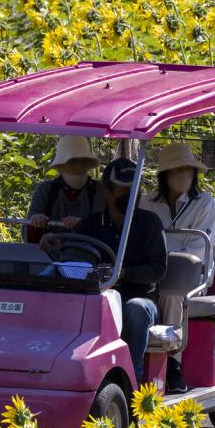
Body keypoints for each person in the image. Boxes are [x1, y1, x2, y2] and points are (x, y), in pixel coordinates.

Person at [46, 157, 166, 388]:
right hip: (96, 300)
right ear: (107, 193)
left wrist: (124, 274)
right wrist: (54, 246)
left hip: (138, 298)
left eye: (135, 189)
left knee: (135, 309)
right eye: (124, 190)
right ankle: (61, 375)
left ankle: (132, 385)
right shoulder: (90, 224)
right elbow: (71, 259)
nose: (132, 195)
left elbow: (158, 269)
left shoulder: (150, 223)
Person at [139, 142, 215, 393]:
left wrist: (161, 260)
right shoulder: (147, 202)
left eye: (188, 170)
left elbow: (196, 247)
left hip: (190, 275)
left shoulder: (204, 203)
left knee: (173, 295)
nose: (184, 175)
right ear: (165, 175)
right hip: (151, 271)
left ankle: (172, 363)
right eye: (177, 170)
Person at [24, 135, 101, 243]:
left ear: (89, 164)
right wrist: (36, 221)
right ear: (61, 165)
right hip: (47, 255)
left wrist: (83, 224)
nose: (78, 166)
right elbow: (27, 234)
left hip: (89, 254)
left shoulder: (99, 190)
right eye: (72, 161)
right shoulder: (45, 190)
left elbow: (105, 229)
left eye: (83, 161)